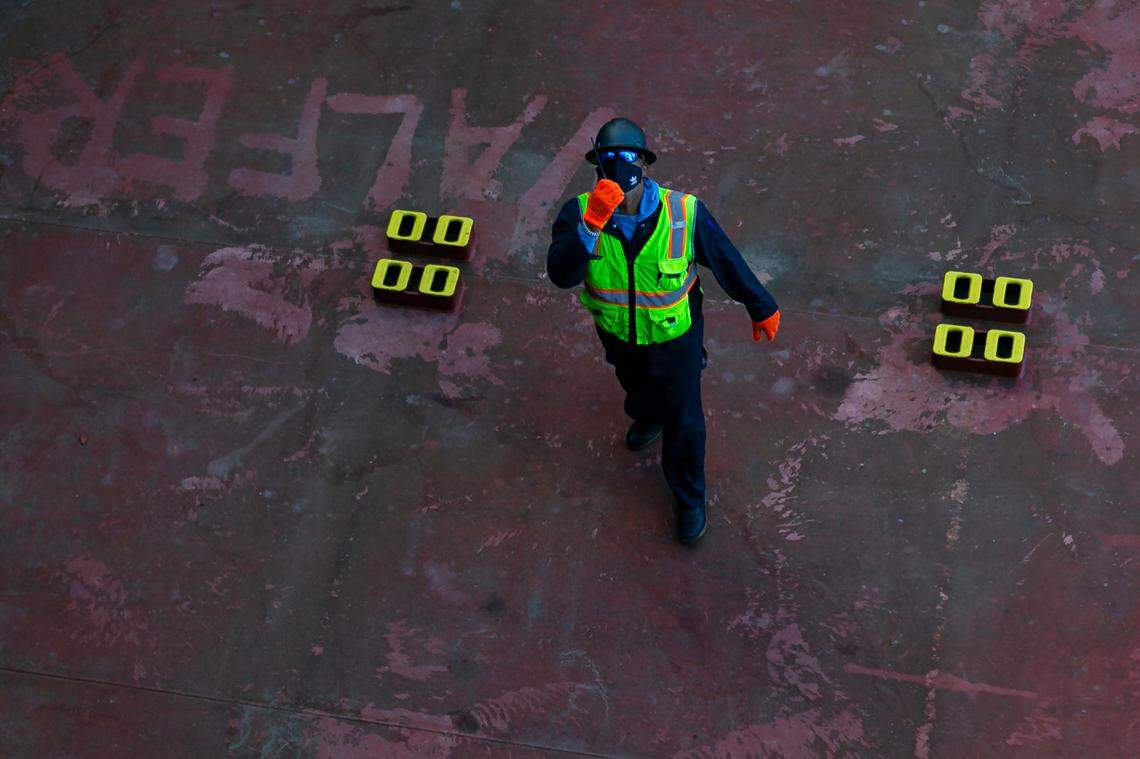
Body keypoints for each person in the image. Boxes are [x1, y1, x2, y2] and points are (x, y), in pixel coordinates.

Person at [546, 117, 781, 545]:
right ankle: (647, 414)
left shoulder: (684, 213)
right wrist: (591, 226)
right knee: (637, 390)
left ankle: (689, 497)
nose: (619, 168)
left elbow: (725, 258)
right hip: (619, 337)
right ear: (597, 169)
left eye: (628, 158)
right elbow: (561, 274)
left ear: (646, 164)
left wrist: (760, 304)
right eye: (609, 160)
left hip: (676, 342)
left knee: (685, 423)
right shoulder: (578, 213)